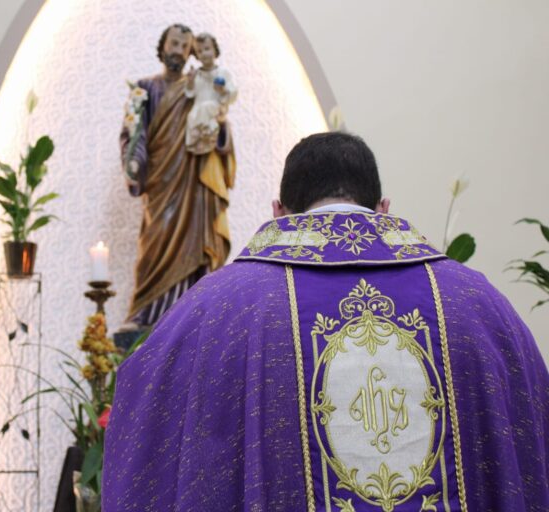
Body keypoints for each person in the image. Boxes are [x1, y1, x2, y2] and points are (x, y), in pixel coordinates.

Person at [104, 132, 549, 511]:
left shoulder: (216, 308)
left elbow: (144, 406)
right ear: (384, 208)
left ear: (279, 211)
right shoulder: (477, 303)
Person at [120, 23, 236, 328]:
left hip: (193, 186)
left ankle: (190, 315)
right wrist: (133, 162)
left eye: (184, 46)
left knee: (195, 246)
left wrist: (220, 127)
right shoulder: (144, 88)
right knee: (153, 244)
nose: (178, 51)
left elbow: (218, 121)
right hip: (160, 184)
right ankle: (144, 312)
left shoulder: (197, 85)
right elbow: (135, 133)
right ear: (162, 47)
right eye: (173, 43)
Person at [184, 32, 237, 155]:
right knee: (192, 115)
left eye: (207, 49)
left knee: (207, 107)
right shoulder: (197, 74)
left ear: (215, 50)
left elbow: (233, 93)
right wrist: (190, 81)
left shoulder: (222, 73)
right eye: (200, 51)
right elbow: (190, 94)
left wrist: (223, 90)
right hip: (198, 110)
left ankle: (208, 133)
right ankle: (198, 139)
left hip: (215, 108)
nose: (204, 54)